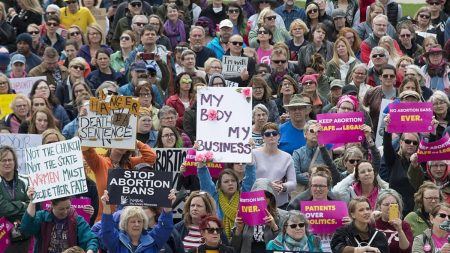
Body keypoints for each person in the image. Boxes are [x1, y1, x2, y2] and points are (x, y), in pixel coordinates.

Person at [82, 140, 156, 221]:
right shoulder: (100, 162)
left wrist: (135, 141)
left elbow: (151, 157)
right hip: (103, 219)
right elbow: (86, 149)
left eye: (123, 142)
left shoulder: (130, 163)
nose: (120, 144)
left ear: (127, 149)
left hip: (125, 221)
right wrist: (101, 140)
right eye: (118, 140)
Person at [21, 188, 99, 253]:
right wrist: (32, 201)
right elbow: (26, 229)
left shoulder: (77, 220)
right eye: (61, 209)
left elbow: (91, 239)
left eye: (68, 207)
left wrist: (90, 250)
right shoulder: (42, 217)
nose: (65, 211)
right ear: (52, 205)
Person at [197, 158, 256, 239]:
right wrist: (201, 165)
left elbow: (250, 180)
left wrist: (250, 163)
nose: (230, 183)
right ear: (220, 185)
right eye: (226, 181)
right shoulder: (214, 197)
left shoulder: (243, 196)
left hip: (241, 239)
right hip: (218, 239)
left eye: (233, 181)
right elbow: (205, 181)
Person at [100, 190, 175, 253]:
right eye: (133, 221)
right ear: (125, 224)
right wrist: (106, 205)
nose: (137, 224)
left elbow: (165, 227)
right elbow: (107, 230)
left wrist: (168, 206)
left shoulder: (153, 240)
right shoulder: (116, 241)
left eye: (139, 221)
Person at [231, 178, 285, 252]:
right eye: (258, 195)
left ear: (271, 198)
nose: (263, 198)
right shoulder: (243, 214)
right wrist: (238, 230)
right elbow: (234, 247)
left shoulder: (281, 215)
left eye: (266, 195)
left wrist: (274, 227)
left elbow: (284, 246)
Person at [253, 122, 296, 207]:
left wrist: (283, 186)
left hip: (280, 203)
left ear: (279, 136)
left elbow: (293, 183)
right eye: (268, 134)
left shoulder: (287, 157)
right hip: (258, 200)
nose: (271, 136)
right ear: (263, 138)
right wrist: (267, 185)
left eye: (274, 133)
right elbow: (248, 180)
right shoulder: (254, 154)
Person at [0, 146, 31, 252]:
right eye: (3, 160)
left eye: (10, 160)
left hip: (24, 236)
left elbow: (32, 206)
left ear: (15, 162)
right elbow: (3, 208)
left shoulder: (26, 180)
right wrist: (22, 204)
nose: (7, 163)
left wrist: (26, 205)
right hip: (2, 236)